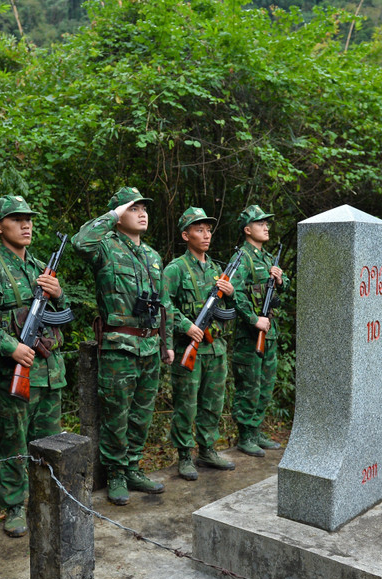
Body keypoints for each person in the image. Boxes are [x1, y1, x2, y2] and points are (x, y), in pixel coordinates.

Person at [0, 194, 68, 538]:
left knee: (50, 444)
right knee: (12, 444)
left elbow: (63, 317)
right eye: (16, 219)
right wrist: (10, 346)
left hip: (49, 373)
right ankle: (13, 507)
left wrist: (58, 295)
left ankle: (46, 500)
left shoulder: (41, 267)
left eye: (28, 219)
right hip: (14, 373)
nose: (26, 225)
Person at [71, 186, 174, 506]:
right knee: (116, 414)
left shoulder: (153, 256)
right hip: (119, 346)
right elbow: (80, 241)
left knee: (142, 414)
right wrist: (114, 213)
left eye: (144, 207)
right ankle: (115, 473)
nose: (142, 213)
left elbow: (164, 305)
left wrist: (166, 343)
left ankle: (132, 467)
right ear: (118, 216)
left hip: (149, 345)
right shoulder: (104, 247)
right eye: (133, 208)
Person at [162, 207, 237, 480]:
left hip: (215, 348)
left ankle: (207, 450)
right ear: (186, 235)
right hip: (189, 348)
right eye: (199, 230)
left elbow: (230, 308)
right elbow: (164, 303)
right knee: (186, 405)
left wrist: (230, 294)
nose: (206, 235)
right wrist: (186, 325)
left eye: (208, 230)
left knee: (213, 403)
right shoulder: (175, 269)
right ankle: (184, 455)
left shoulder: (216, 269)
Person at [231, 204, 289, 457]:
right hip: (250, 333)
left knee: (266, 384)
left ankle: (255, 430)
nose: (266, 227)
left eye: (267, 223)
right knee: (249, 385)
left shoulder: (267, 258)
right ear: (247, 229)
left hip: (270, 330)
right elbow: (235, 294)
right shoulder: (242, 258)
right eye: (260, 223)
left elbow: (283, 287)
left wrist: (279, 279)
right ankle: (245, 436)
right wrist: (253, 319)